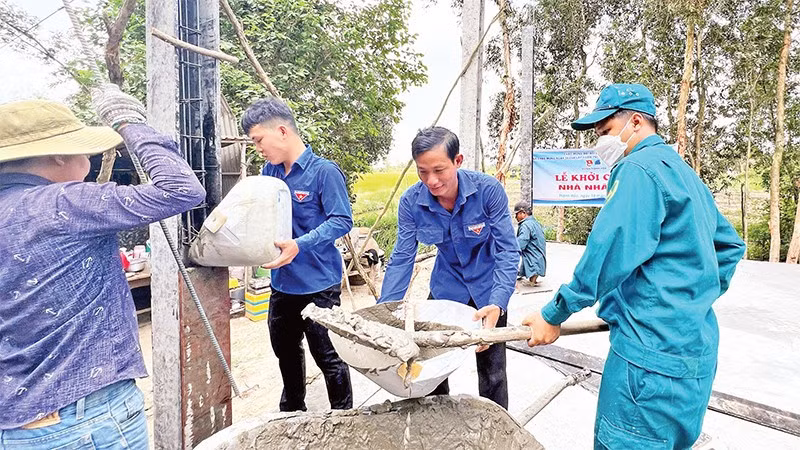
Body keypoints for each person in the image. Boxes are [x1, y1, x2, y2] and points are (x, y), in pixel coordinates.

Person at [521, 83, 745, 449]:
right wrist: (686, 300)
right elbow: (730, 247)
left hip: (647, 364)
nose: (600, 143)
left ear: (636, 121)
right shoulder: (681, 171)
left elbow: (609, 252)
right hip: (694, 357)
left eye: (605, 131)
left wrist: (553, 314)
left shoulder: (638, 169)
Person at [0, 85, 206, 449]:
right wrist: (129, 122)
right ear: (61, 156)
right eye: (85, 149)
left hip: (14, 425)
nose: (92, 159)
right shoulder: (65, 202)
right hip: (87, 417)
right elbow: (181, 190)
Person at [379, 126, 519, 409]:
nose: (431, 180)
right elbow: (403, 257)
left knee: (493, 373)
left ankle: (496, 431)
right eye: (422, 172)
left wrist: (498, 303)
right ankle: (438, 424)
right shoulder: (410, 202)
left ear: (458, 161)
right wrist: (383, 311)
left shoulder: (488, 191)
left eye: (439, 170)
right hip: (446, 289)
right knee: (433, 370)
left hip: (487, 292)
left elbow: (507, 250)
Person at [242, 97, 353, 412]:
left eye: (259, 140)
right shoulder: (270, 171)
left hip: (319, 285)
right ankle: (292, 413)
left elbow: (342, 220)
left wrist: (299, 245)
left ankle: (345, 418)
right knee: (285, 351)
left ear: (281, 131)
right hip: (282, 284)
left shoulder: (323, 173)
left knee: (328, 357)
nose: (259, 149)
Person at [513, 202, 546, 286]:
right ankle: (533, 280)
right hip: (539, 260)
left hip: (534, 261)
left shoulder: (526, 225)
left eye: (517, 214)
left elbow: (521, 244)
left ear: (523, 213)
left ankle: (532, 280)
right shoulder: (535, 223)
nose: (515, 217)